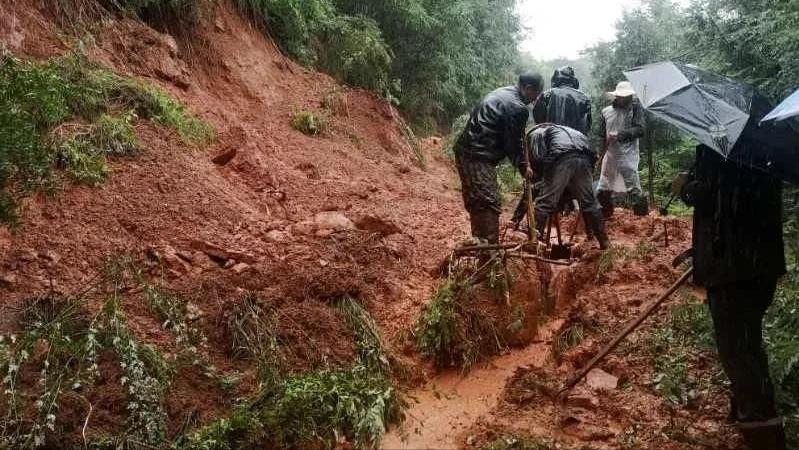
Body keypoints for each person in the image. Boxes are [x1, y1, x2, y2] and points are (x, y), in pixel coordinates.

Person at [675, 144, 786, 450]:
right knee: (747, 342)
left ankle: (762, 431)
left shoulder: (719, 150)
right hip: (762, 264)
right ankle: (746, 413)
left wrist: (685, 186)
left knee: (737, 349)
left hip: (731, 269)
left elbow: (707, 197)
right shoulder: (767, 153)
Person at [454, 73, 544, 244]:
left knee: (481, 202)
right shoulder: (517, 107)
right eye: (536, 94)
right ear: (528, 89)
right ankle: (488, 254)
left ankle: (481, 245)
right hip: (477, 155)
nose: (535, 99)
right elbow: (514, 144)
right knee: (488, 202)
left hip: (470, 153)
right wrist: (525, 168)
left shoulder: (506, 92)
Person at [512, 66, 595, 234]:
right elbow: (587, 126)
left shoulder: (547, 95)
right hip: (579, 148)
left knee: (537, 185)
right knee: (585, 196)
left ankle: (517, 222)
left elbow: (540, 123)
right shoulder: (585, 98)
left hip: (551, 147)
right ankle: (592, 234)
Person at [529, 124, 610, 249]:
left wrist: (540, 180)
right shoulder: (573, 131)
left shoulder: (537, 132)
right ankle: (605, 243)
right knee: (590, 204)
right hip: (585, 159)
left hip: (562, 158)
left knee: (544, 203)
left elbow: (538, 158)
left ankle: (535, 244)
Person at [596, 81, 648, 217]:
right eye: (621, 96)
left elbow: (640, 130)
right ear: (616, 97)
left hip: (628, 153)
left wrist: (620, 135)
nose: (624, 99)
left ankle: (642, 218)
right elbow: (601, 135)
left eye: (626, 96)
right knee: (604, 185)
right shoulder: (606, 112)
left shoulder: (635, 109)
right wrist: (600, 153)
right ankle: (606, 215)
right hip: (610, 153)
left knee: (633, 185)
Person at [532, 66, 592, 134]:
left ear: (555, 79)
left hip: (550, 138)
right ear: (574, 80)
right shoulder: (583, 98)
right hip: (576, 140)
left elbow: (538, 120)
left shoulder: (546, 95)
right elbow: (587, 124)